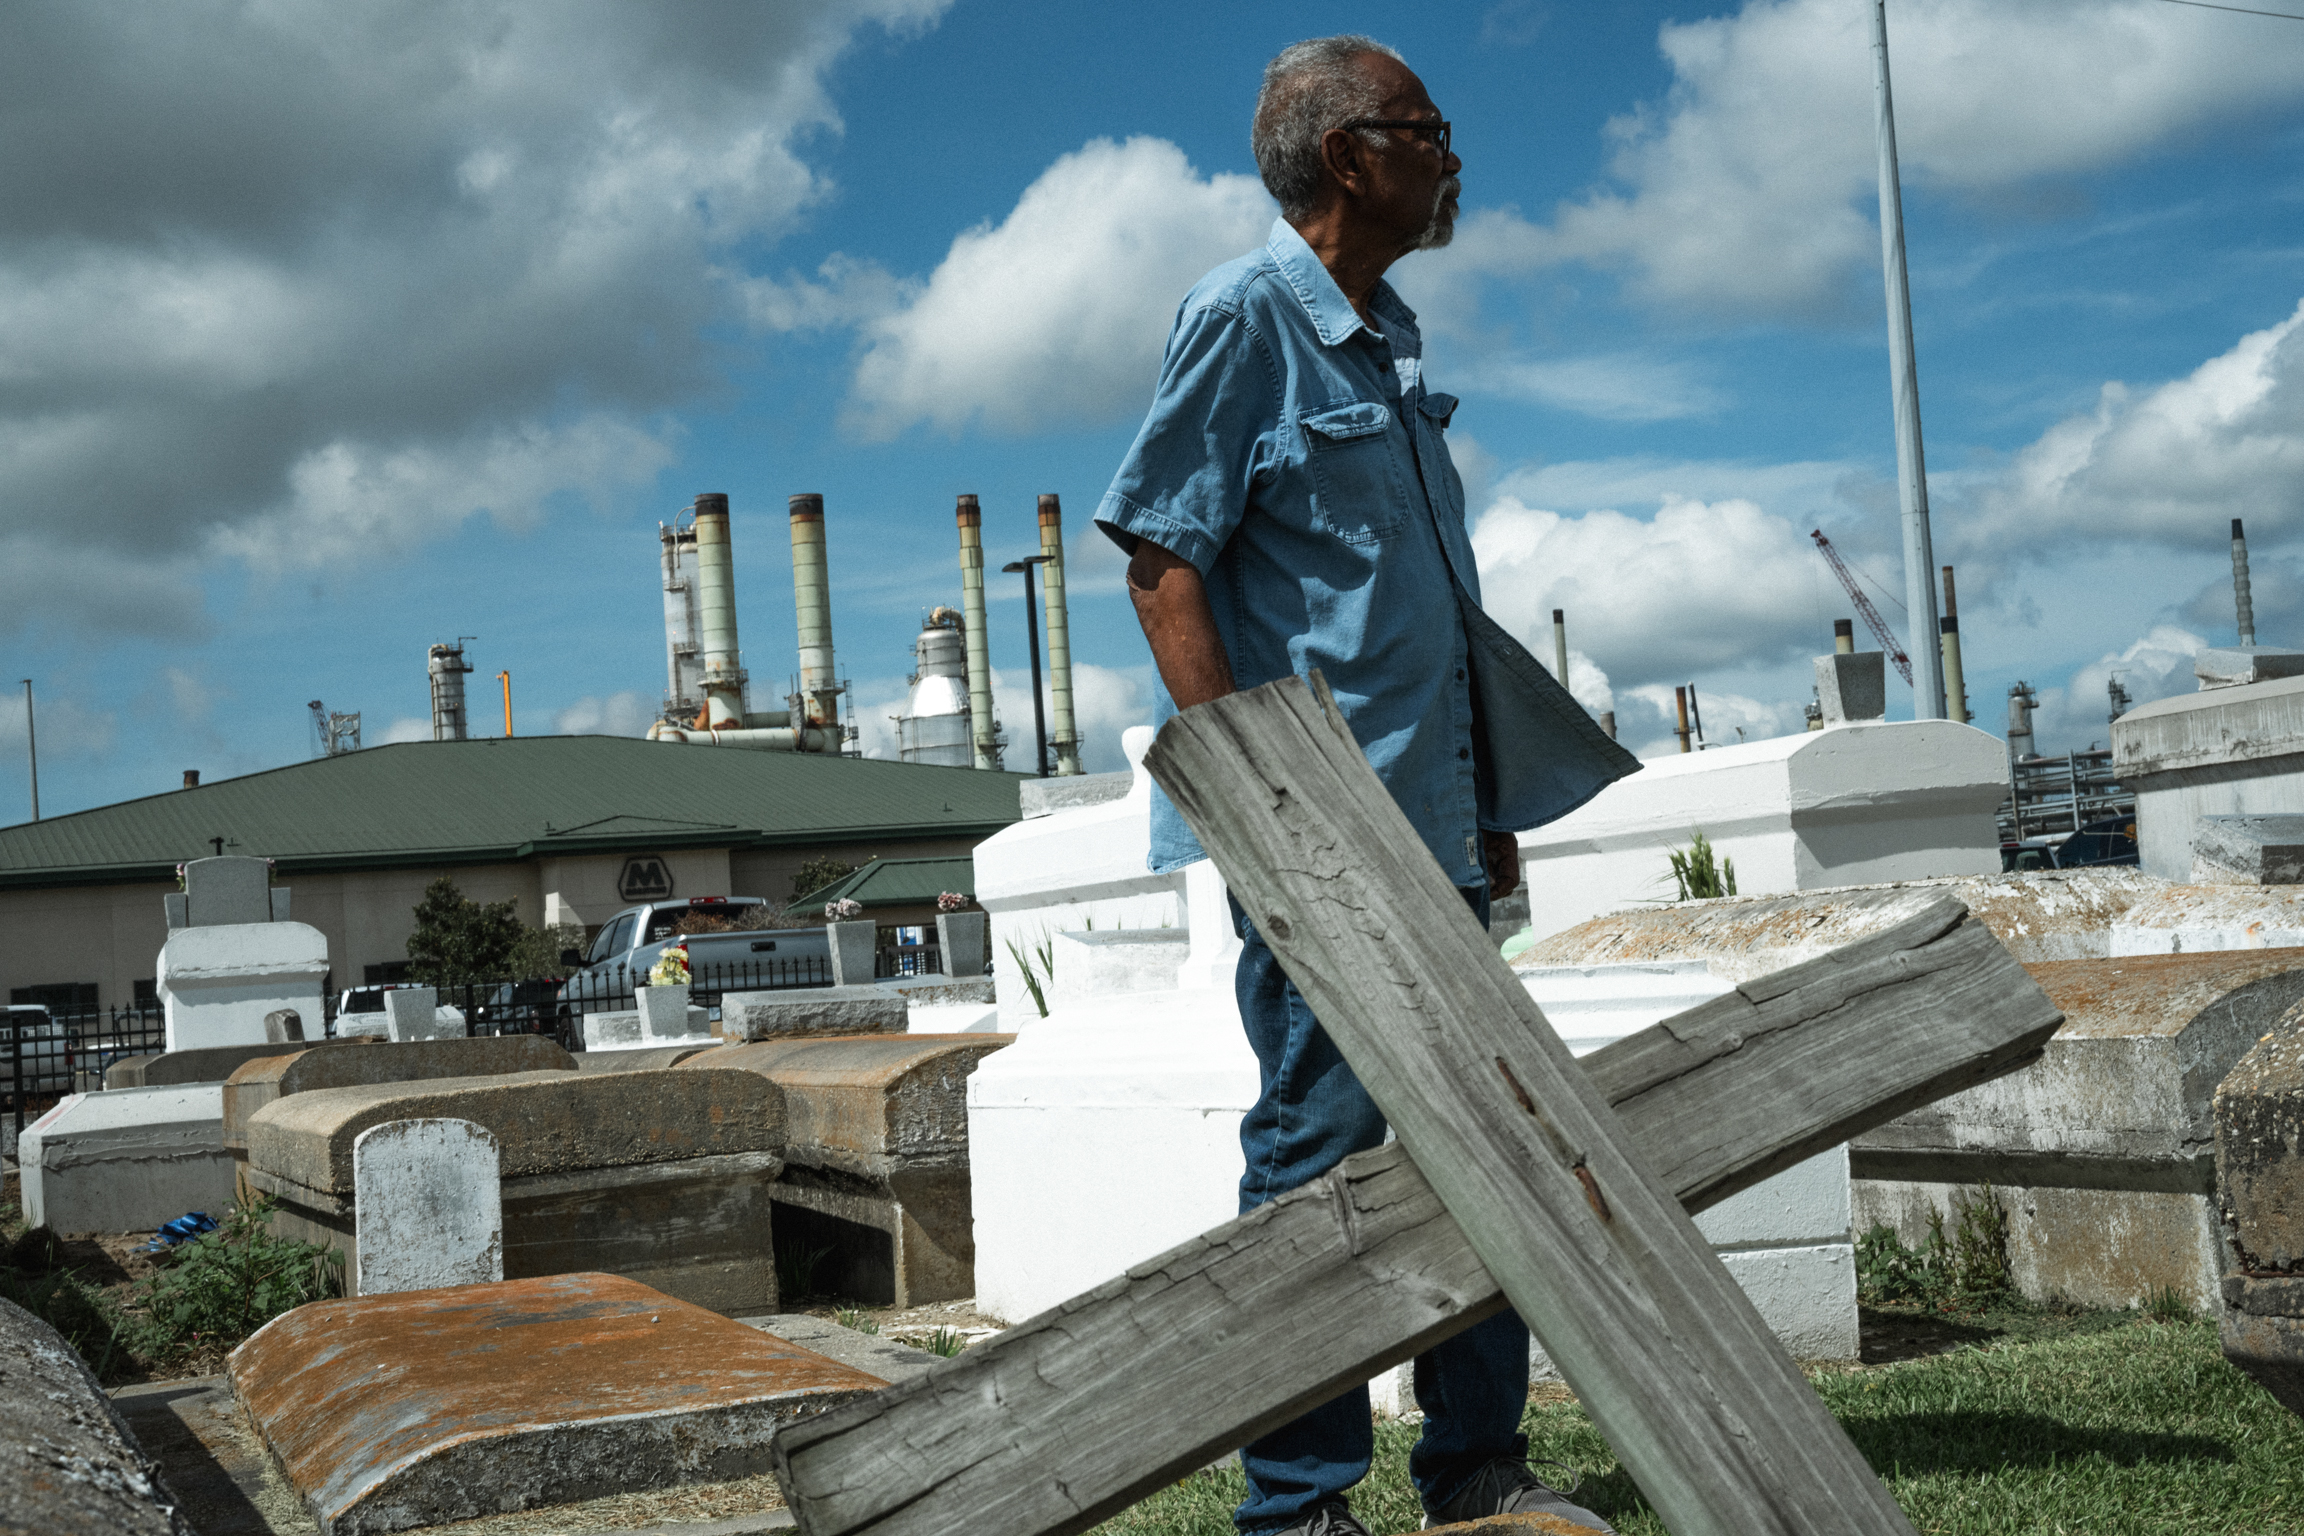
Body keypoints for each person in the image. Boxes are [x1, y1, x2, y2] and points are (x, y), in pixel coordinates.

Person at [1094, 34, 1638, 1536]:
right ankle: (1300, 1509)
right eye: (1428, 128)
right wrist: (1262, 811)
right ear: (1350, 155)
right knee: (1321, 1153)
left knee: (1489, 1132)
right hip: (1319, 838)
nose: (1454, 154)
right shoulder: (1245, 315)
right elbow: (1163, 565)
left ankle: (1474, 1479)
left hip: (1434, 828)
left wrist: (1485, 813)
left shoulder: (1383, 338)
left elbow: (1411, 615)